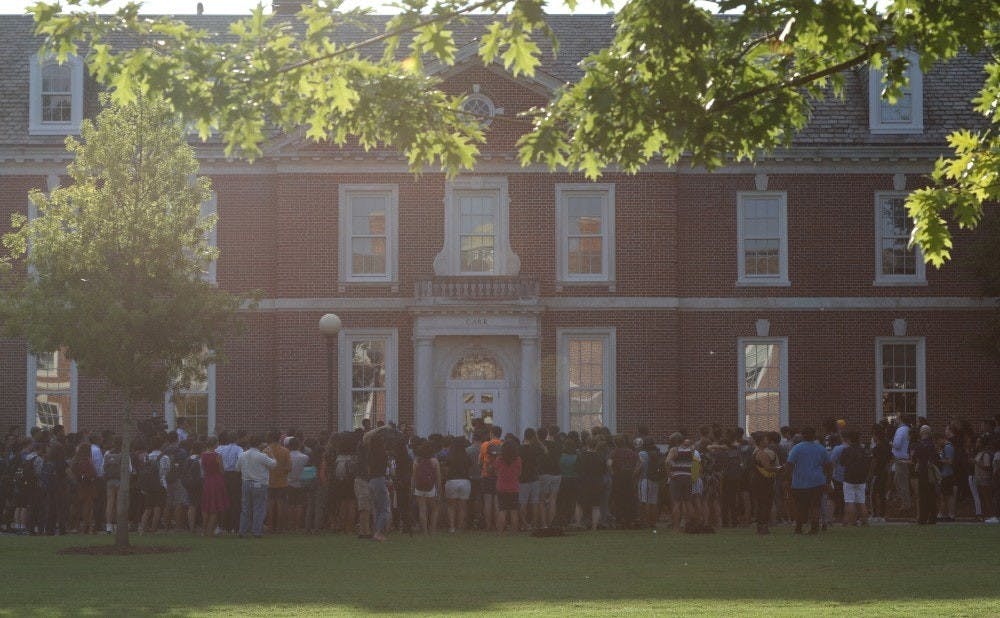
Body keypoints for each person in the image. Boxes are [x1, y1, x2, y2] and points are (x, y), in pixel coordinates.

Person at [785, 427, 832, 535]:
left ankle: (798, 528)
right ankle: (814, 528)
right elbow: (829, 465)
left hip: (799, 482)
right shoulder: (821, 448)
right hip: (817, 481)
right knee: (815, 505)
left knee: (800, 506)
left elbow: (789, 464)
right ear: (814, 435)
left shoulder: (796, 448)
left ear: (802, 435)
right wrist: (828, 481)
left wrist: (787, 479)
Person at [236, 435, 276, 538]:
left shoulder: (242, 455)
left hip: (246, 482)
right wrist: (271, 455)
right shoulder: (261, 456)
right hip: (260, 483)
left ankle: (242, 531)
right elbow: (273, 465)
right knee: (259, 508)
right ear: (259, 444)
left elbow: (237, 468)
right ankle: (256, 531)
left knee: (245, 508)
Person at [838, 430, 870, 527]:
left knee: (849, 501)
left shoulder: (847, 450)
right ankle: (865, 521)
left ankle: (851, 521)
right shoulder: (863, 450)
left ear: (849, 439)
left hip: (849, 478)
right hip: (861, 478)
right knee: (861, 501)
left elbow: (842, 463)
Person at [750, 433, 779, 534]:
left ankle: (760, 526)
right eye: (766, 440)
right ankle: (764, 526)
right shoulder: (762, 453)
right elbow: (767, 467)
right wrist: (779, 468)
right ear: (761, 442)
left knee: (760, 503)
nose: (768, 441)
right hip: (764, 481)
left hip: (756, 480)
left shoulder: (754, 452)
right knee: (765, 504)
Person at [665, 433, 695, 532]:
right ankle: (689, 525)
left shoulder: (674, 450)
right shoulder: (691, 450)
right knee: (688, 502)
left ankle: (676, 527)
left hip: (676, 477)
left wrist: (669, 473)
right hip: (688, 477)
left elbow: (667, 461)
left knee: (676, 503)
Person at [215, 432, 243, 533]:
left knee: (224, 500)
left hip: (223, 475)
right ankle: (234, 526)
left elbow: (217, 459)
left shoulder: (222, 449)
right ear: (237, 439)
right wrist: (238, 469)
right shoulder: (239, 449)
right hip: (234, 476)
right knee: (235, 501)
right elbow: (241, 459)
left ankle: (223, 525)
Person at [200, 438, 229, 537]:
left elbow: (203, 468)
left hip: (207, 481)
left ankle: (204, 530)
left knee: (206, 506)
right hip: (217, 481)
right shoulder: (217, 456)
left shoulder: (203, 455)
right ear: (214, 445)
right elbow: (222, 470)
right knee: (215, 506)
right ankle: (210, 530)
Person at [412, 442, 442, 535]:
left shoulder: (416, 461)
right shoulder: (435, 461)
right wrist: (439, 490)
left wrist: (412, 489)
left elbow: (414, 476)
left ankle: (424, 531)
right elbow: (438, 477)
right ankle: (432, 530)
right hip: (431, 487)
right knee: (434, 508)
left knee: (422, 509)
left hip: (419, 488)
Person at [493, 439, 522, 535]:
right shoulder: (518, 459)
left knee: (502, 510)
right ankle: (514, 531)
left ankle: (500, 531)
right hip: (514, 487)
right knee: (514, 510)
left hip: (501, 486)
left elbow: (496, 472)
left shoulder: (499, 459)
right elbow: (519, 473)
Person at [577, 438, 606, 531]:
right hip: (597, 482)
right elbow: (605, 470)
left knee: (579, 504)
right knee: (596, 506)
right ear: (596, 445)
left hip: (584, 482)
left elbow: (577, 469)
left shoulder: (582, 456)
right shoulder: (600, 456)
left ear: (587, 445)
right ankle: (594, 527)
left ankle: (578, 524)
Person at [913, 425, 940, 524]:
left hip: (922, 472)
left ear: (921, 433)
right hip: (931, 472)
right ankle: (933, 517)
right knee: (932, 495)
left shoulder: (919, 445)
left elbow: (914, 457)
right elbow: (936, 458)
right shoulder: (932, 445)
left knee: (923, 496)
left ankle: (922, 518)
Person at [264, 431, 291, 533]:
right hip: (282, 481)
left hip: (269, 481)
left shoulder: (265, 451)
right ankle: (280, 527)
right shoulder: (285, 451)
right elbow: (289, 467)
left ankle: (270, 526)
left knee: (270, 505)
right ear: (279, 438)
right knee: (280, 505)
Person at [444, 436, 472, 533]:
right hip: (465, 481)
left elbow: (446, 470)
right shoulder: (466, 456)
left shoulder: (449, 455)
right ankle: (460, 527)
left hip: (452, 481)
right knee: (462, 506)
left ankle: (452, 527)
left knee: (451, 506)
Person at [479, 425, 503, 531]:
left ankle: (488, 526)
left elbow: (479, 462)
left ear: (491, 433)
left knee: (488, 502)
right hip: (499, 476)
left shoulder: (485, 445)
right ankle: (498, 526)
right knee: (497, 502)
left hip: (487, 475)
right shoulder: (503, 445)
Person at [70, 443, 97, 534]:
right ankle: (86, 527)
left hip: (77, 485)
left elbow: (72, 471)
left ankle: (76, 526)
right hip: (87, 486)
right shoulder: (87, 461)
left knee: (76, 507)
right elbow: (93, 473)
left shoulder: (75, 460)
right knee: (88, 507)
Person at [635, 437, 661, 531]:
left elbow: (639, 467)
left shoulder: (642, 453)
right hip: (655, 480)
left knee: (644, 501)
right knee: (653, 502)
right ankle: (653, 522)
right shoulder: (657, 453)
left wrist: (634, 473)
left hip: (645, 479)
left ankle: (645, 522)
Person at [286, 438, 309, 530]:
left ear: (289, 446)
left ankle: (290, 524)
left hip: (288, 482)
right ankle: (297, 525)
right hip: (301, 483)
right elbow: (308, 472)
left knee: (290, 504)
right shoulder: (305, 457)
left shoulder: (287, 456)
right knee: (299, 504)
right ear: (299, 445)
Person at [891, 415, 913, 514]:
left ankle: (906, 505)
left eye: (896, 418)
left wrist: (891, 443)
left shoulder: (900, 430)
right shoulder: (907, 429)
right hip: (905, 458)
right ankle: (904, 502)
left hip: (900, 459)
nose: (895, 420)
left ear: (900, 420)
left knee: (902, 482)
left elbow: (897, 444)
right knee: (897, 481)